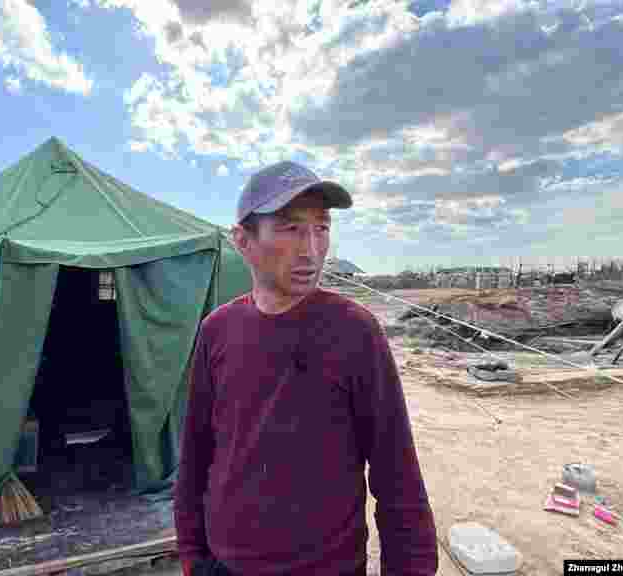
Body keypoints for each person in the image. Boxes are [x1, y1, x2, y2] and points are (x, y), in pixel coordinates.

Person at [174, 161, 438, 576]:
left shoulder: (354, 330)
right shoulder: (217, 331)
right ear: (243, 241)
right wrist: (192, 556)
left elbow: (397, 475)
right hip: (225, 566)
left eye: (322, 228)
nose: (311, 249)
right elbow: (195, 455)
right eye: (291, 229)